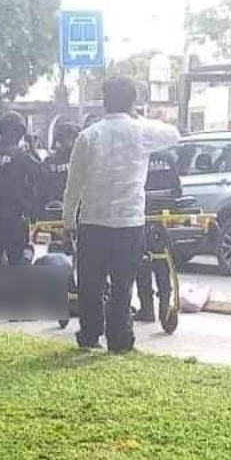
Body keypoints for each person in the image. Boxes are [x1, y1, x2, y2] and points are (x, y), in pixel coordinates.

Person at [63, 76, 181, 353]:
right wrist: (137, 116)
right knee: (122, 283)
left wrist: (68, 222)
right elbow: (174, 134)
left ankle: (90, 333)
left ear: (104, 102)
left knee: (90, 283)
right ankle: (121, 338)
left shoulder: (88, 136)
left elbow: (73, 185)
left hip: (93, 222)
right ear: (132, 102)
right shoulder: (143, 132)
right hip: (129, 223)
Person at [0, 112, 43, 265]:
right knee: (18, 263)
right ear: (19, 132)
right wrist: (32, 147)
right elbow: (42, 173)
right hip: (14, 220)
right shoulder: (20, 155)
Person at [134, 145, 181, 323]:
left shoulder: (138, 156)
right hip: (163, 218)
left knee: (143, 262)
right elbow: (177, 188)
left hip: (142, 216)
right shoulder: (167, 157)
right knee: (163, 262)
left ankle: (147, 309)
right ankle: (164, 307)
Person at [38, 121, 80, 215]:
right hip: (53, 208)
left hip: (76, 209)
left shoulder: (81, 160)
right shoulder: (49, 161)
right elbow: (42, 187)